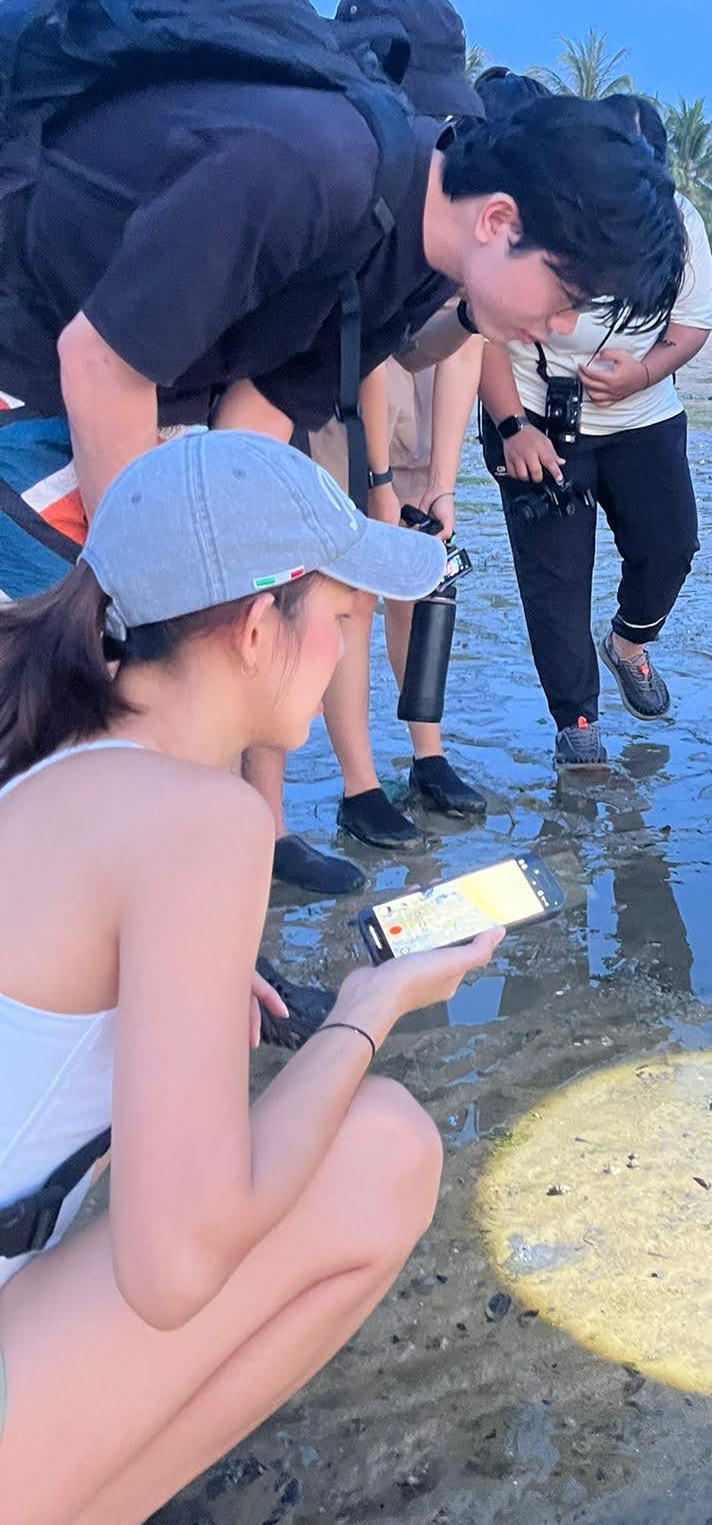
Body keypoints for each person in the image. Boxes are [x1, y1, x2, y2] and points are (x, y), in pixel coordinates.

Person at [0, 0, 687, 889]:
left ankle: (178, 929)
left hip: (110, 387)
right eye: (566, 300)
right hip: (32, 370)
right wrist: (158, 607)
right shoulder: (314, 165)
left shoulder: (409, 258)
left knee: (173, 694)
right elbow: (101, 361)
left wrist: (231, 591)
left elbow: (257, 416)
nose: (561, 329)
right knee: (78, 700)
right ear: (500, 220)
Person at [0, 430, 503, 1524]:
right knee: (385, 1146)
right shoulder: (204, 820)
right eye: (338, 613)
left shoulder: (58, 752)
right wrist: (366, 1011)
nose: (342, 646)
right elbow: (175, 1266)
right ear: (256, 626)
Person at [290, 0, 492, 851]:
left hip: (412, 375)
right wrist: (375, 476)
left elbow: (465, 335)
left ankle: (428, 753)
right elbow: (365, 343)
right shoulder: (345, 163)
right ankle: (357, 782)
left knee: (423, 563)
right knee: (349, 591)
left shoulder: (459, 172)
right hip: (334, 390)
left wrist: (439, 482)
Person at [479, 84, 712, 769]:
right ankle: (576, 724)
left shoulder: (678, 222)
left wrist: (642, 375)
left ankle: (629, 643)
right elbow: (481, 329)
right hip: (533, 415)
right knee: (555, 578)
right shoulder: (535, 214)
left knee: (671, 545)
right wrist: (510, 427)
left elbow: (694, 323)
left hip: (643, 415)